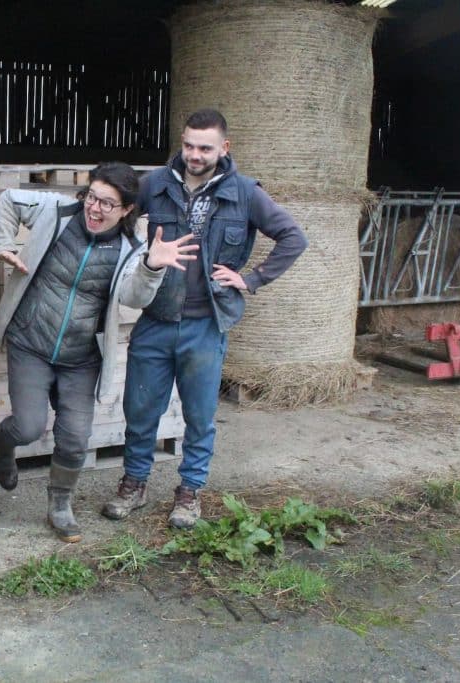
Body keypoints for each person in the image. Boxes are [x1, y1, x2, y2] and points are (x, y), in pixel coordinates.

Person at [102, 108, 309, 529]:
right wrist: (133, 260)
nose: (195, 155)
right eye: (189, 145)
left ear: (224, 148)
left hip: (205, 324)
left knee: (199, 416)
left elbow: (294, 237)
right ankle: (134, 484)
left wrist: (251, 280)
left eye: (205, 148)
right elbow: (113, 215)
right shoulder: (155, 185)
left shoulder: (245, 193)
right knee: (140, 410)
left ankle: (189, 492)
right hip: (156, 319)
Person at [0, 162, 198, 542]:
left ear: (126, 210)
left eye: (107, 203)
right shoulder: (57, 210)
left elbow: (136, 295)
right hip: (31, 341)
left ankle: (59, 505)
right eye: (92, 197)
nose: (95, 209)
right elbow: (7, 199)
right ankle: (3, 443)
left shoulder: (134, 246)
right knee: (29, 426)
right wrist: (2, 242)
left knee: (74, 437)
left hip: (81, 357)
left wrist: (152, 266)